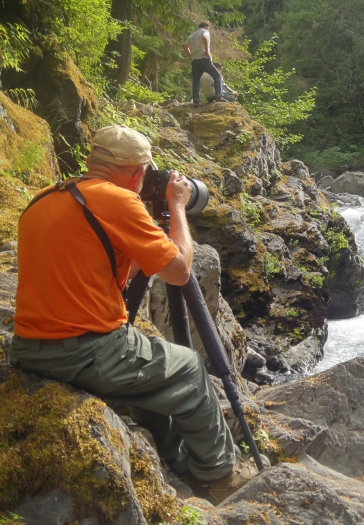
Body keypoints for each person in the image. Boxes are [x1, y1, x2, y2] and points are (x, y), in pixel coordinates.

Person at [9, 125, 262, 505]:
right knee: (190, 368)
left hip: (29, 347)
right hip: (83, 351)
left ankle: (175, 461)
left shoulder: (45, 198)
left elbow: (101, 267)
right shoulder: (117, 202)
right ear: (135, 173)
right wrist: (176, 206)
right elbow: (179, 272)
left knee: (153, 368)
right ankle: (221, 477)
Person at [182, 22, 226, 108]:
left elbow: (184, 45)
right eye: (208, 27)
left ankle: (196, 101)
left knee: (196, 80)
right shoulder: (205, 32)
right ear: (206, 27)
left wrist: (190, 55)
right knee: (217, 75)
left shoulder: (193, 35)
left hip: (195, 60)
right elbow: (204, 37)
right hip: (203, 58)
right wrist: (206, 51)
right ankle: (218, 96)